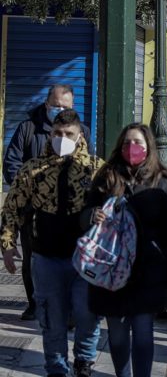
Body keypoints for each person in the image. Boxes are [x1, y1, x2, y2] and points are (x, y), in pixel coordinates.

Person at [1, 110, 103, 377]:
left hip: (85, 260)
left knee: (87, 313)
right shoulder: (33, 170)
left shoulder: (95, 169)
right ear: (50, 134)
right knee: (51, 320)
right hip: (46, 258)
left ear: (80, 135)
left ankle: (84, 361)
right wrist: (8, 244)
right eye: (58, 133)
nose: (62, 138)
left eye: (68, 134)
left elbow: (117, 204)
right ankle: (56, 367)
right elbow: (11, 208)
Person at [83, 123, 167, 377]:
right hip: (111, 271)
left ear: (149, 147)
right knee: (118, 337)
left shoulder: (164, 182)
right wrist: (91, 216)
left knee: (143, 333)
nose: (132, 148)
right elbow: (84, 213)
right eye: (127, 142)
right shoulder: (107, 177)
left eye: (139, 143)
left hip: (148, 272)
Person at [2, 84, 92, 321]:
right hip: (33, 213)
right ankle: (35, 303)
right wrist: (31, 188)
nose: (60, 110)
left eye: (65, 106)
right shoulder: (27, 129)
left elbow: (88, 171)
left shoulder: (82, 132)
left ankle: (70, 310)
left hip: (72, 217)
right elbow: (12, 164)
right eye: (56, 105)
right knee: (33, 259)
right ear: (46, 104)